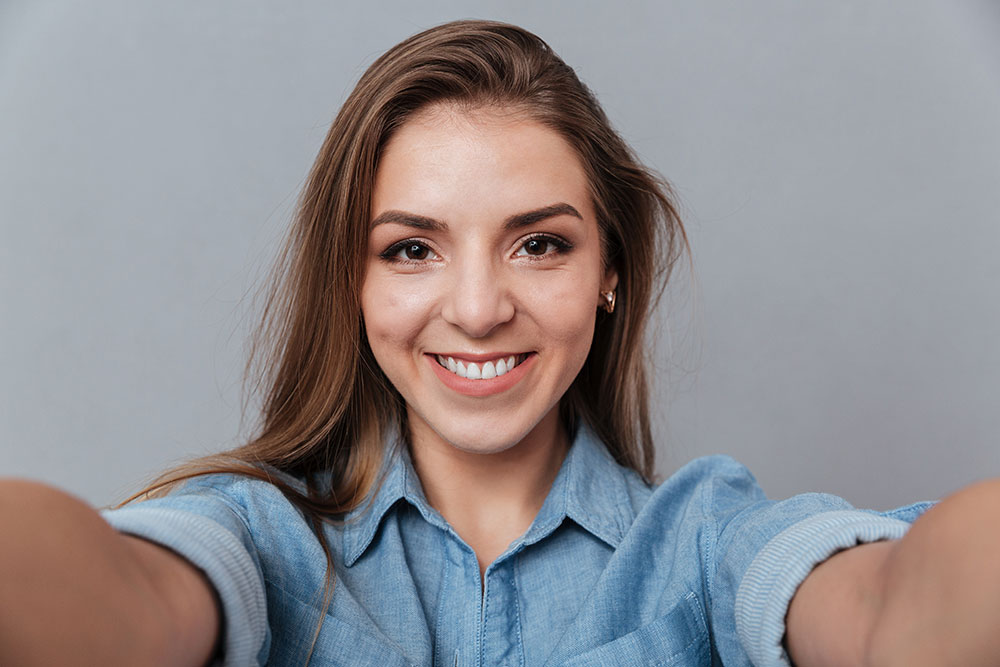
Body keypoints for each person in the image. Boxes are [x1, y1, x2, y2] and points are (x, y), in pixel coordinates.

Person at [1, 19, 999, 667]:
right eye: (411, 249)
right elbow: (111, 592)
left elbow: (887, 610)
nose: (477, 308)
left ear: (609, 271)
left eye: (538, 243)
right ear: (353, 282)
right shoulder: (255, 537)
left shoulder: (703, 540)